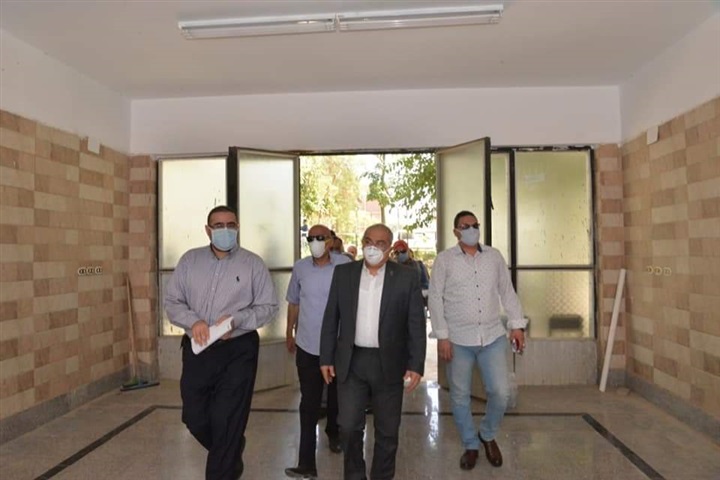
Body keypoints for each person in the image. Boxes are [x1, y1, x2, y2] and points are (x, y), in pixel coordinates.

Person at [165, 205, 279, 480]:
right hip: (198, 348)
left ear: (237, 228)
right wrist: (194, 321)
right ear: (208, 230)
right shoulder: (190, 261)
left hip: (238, 351)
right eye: (218, 225)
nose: (225, 230)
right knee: (194, 417)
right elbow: (172, 301)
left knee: (227, 419)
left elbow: (268, 307)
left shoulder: (253, 264)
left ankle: (225, 459)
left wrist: (238, 320)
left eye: (231, 225)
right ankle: (231, 448)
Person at [320, 223, 426, 480]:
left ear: (389, 248)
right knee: (348, 427)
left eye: (380, 243)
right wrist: (326, 357)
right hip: (351, 361)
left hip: (389, 363)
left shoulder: (406, 277)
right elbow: (331, 317)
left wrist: (416, 364)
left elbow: (416, 323)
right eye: (368, 241)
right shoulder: (344, 273)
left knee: (387, 431)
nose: (372, 248)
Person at [428, 210, 527, 471]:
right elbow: (435, 298)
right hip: (458, 340)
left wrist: (517, 324)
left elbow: (507, 291)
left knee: (501, 392)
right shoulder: (444, 260)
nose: (471, 229)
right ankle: (470, 444)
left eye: (475, 225)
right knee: (460, 395)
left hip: (492, 336)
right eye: (465, 226)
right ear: (456, 232)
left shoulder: (494, 257)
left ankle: (487, 434)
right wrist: (442, 336)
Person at [284, 224, 351, 479]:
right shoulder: (300, 268)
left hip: (337, 346)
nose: (315, 242)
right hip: (307, 345)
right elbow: (294, 302)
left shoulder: (344, 265)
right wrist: (289, 331)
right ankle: (306, 463)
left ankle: (334, 433)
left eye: (320, 238)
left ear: (331, 241)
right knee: (308, 403)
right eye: (310, 238)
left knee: (336, 397)